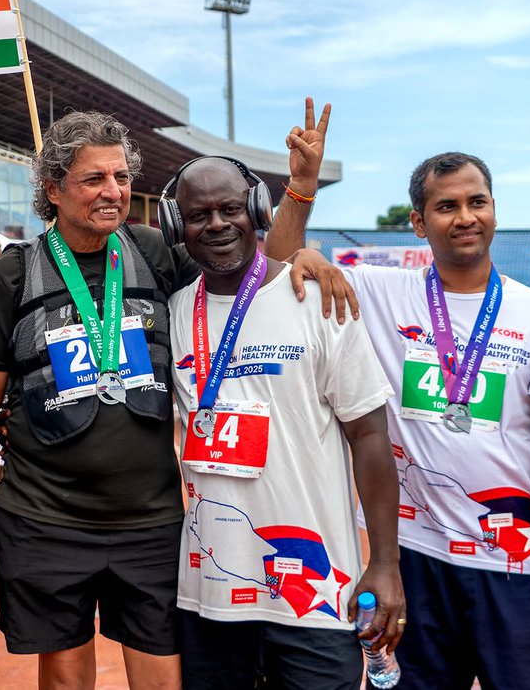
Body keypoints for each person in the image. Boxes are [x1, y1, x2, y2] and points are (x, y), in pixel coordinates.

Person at [0, 101, 342, 690]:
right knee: (66, 681)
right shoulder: (14, 275)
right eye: (93, 178)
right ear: (53, 190)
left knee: (165, 683)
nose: (112, 191)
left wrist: (300, 219)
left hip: (151, 520)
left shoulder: (149, 252)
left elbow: (251, 272)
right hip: (46, 518)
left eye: (120, 176)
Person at [269, 151, 530, 689]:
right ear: (418, 223)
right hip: (415, 558)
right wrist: (302, 188)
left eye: (476, 202)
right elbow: (276, 268)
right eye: (446, 206)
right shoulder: (380, 292)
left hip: (514, 561)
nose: (465, 217)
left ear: (494, 211)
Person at [163, 156, 403, 689]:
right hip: (211, 592)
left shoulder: (318, 300)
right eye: (199, 215)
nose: (218, 225)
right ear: (178, 226)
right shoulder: (175, 312)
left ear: (256, 211)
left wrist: (385, 562)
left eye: (230, 208)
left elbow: (369, 435)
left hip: (314, 593)